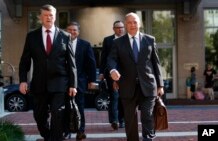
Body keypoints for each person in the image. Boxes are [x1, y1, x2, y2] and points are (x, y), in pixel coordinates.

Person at [18, 4, 77, 141]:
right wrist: (22, 80)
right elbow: (24, 61)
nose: (48, 18)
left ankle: (55, 138)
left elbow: (72, 63)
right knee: (39, 115)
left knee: (58, 113)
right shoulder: (32, 37)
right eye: (45, 15)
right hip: (39, 83)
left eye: (51, 15)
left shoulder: (65, 36)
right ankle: (48, 135)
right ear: (40, 17)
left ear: (55, 17)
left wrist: (73, 85)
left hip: (60, 83)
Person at [107, 12, 164, 141]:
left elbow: (156, 63)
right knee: (130, 119)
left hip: (148, 85)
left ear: (139, 24)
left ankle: (148, 138)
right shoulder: (118, 42)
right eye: (129, 22)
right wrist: (113, 71)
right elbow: (111, 60)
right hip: (127, 86)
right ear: (126, 25)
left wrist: (160, 85)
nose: (132, 25)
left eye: (135, 22)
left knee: (147, 116)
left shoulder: (150, 40)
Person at [63, 21, 97, 141]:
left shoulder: (85, 45)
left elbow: (91, 63)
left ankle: (80, 131)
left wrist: (92, 80)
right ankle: (66, 131)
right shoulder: (60, 42)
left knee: (79, 107)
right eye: (69, 29)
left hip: (80, 82)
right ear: (66, 30)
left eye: (74, 30)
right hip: (63, 82)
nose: (72, 32)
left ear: (78, 32)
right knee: (65, 107)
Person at [99, 20, 125, 130]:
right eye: (118, 27)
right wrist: (101, 72)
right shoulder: (108, 40)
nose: (120, 29)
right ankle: (114, 120)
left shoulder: (127, 39)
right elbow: (104, 57)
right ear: (113, 29)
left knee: (123, 97)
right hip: (111, 74)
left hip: (124, 75)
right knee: (114, 96)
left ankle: (121, 120)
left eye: (121, 27)